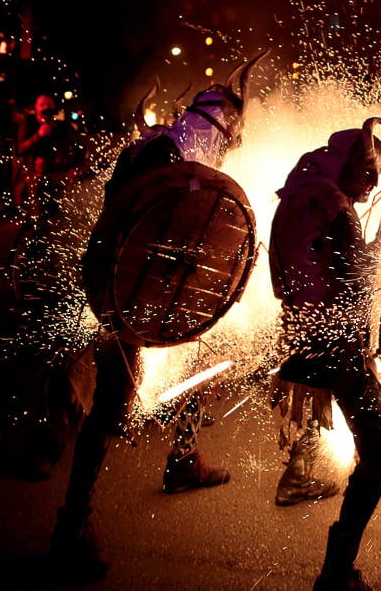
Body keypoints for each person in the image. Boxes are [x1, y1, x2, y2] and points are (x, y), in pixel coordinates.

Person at [48, 70, 263, 582]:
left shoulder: (163, 145)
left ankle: (184, 456)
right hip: (128, 294)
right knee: (110, 405)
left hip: (142, 292)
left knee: (206, 363)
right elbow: (147, 224)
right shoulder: (171, 156)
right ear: (225, 122)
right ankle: (72, 523)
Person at [269, 116, 381, 590]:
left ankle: (336, 568)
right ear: (351, 164)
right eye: (369, 175)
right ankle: (335, 574)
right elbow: (355, 280)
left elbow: (335, 266)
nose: (372, 185)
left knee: (378, 448)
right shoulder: (334, 205)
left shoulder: (310, 192)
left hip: (311, 342)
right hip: (337, 350)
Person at [17, 94, 85, 218]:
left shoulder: (63, 127)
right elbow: (20, 149)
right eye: (43, 104)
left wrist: (75, 167)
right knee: (37, 216)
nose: (46, 107)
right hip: (36, 178)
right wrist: (38, 135)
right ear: (36, 108)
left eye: (49, 104)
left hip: (60, 177)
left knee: (59, 215)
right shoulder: (28, 126)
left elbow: (80, 146)